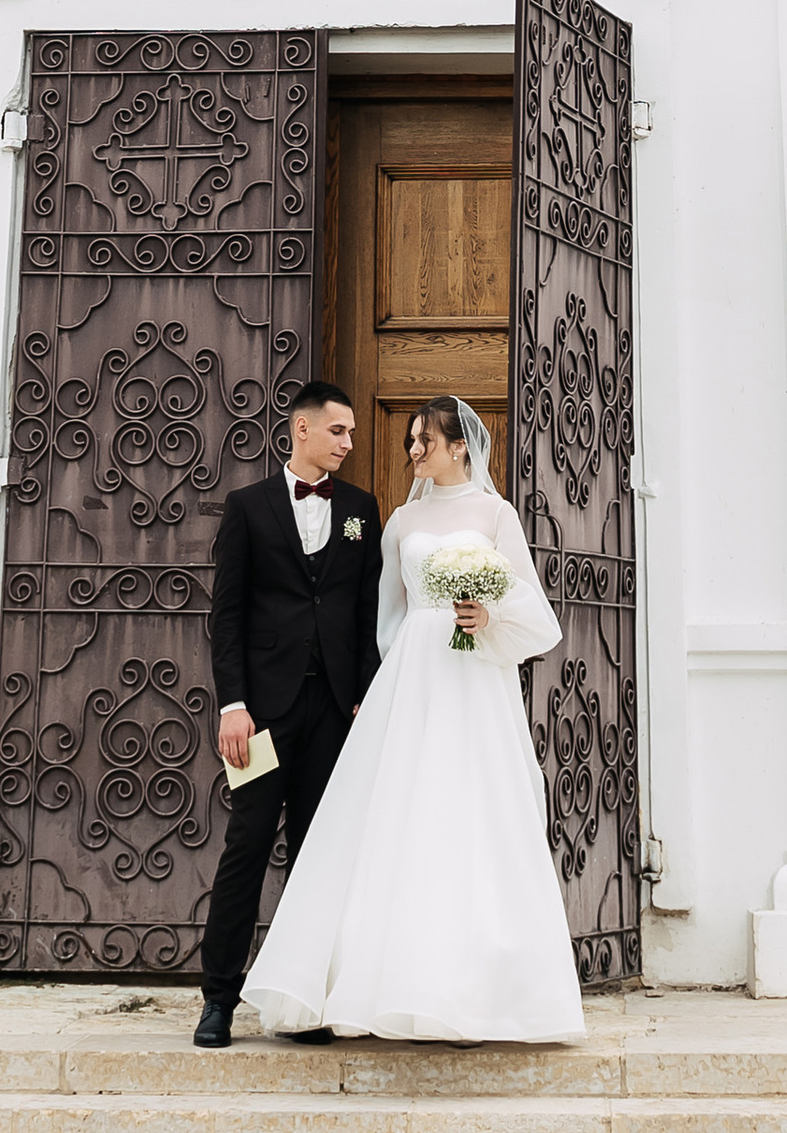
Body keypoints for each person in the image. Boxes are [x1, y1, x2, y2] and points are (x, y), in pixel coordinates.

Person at [239, 393, 586, 1044]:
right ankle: (375, 982)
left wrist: (486, 619)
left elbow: (535, 614)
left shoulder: (496, 514)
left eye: (426, 441)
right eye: (411, 442)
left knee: (472, 815)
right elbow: (385, 619)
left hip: (475, 678)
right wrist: (383, 683)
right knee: (400, 813)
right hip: (412, 679)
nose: (414, 452)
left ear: (462, 447)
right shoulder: (398, 522)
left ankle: (476, 989)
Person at [194, 377, 384, 1050]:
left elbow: (367, 613)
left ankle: (305, 1003)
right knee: (246, 847)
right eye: (339, 431)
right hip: (261, 718)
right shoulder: (248, 507)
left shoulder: (362, 509)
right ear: (302, 429)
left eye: (352, 432)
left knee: (315, 855)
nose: (349, 443)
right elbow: (228, 616)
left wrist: (364, 694)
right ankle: (217, 1000)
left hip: (332, 712)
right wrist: (233, 706)